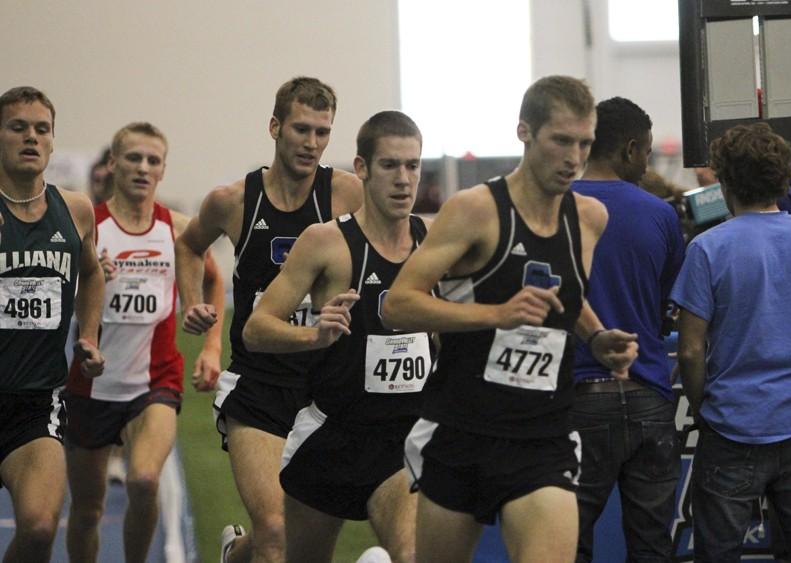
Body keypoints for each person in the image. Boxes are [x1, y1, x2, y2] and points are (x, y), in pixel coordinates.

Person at [383, 75, 639, 563]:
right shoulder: (475, 210)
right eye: (560, 140)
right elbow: (398, 304)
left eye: (584, 143)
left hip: (543, 435)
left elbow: (561, 292)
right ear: (524, 132)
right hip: (461, 430)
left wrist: (597, 335)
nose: (574, 157)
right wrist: (494, 314)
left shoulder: (589, 218)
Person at [175, 76, 363, 563]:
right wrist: (192, 299)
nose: (313, 143)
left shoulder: (346, 194)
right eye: (302, 129)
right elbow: (189, 245)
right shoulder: (233, 200)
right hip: (258, 384)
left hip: (326, 387)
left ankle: (234, 553)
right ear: (275, 127)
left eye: (323, 132)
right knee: (276, 529)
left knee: (298, 542)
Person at [242, 110, 429, 563]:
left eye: (413, 165)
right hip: (333, 437)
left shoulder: (430, 240)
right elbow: (255, 329)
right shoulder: (326, 242)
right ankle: (238, 553)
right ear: (362, 169)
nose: (403, 179)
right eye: (390, 166)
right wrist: (314, 337)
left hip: (402, 439)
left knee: (410, 555)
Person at [62, 122, 225, 563]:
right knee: (86, 511)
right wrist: (86, 276)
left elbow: (214, 281)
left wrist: (212, 346)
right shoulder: (85, 227)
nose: (143, 167)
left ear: (163, 170)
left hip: (155, 379)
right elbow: (54, 297)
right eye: (133, 157)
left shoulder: (178, 230)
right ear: (112, 164)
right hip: (90, 384)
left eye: (153, 160)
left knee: (144, 480)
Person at [672, 122, 791, 562]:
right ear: (783, 179)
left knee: (718, 553)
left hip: (730, 425)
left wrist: (702, 404)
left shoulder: (707, 248)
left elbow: (689, 349)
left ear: (724, 183)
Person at [569, 97, 685, 562]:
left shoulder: (557, 207)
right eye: (648, 153)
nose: (649, 163)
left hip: (575, 394)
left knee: (567, 541)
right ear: (631, 149)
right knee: (652, 543)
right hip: (648, 392)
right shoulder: (660, 214)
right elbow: (664, 306)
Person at [0, 86, 104, 563]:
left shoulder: (75, 209)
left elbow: (92, 271)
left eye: (42, 129)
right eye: (18, 127)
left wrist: (88, 333)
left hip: (35, 403)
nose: (31, 137)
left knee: (41, 528)